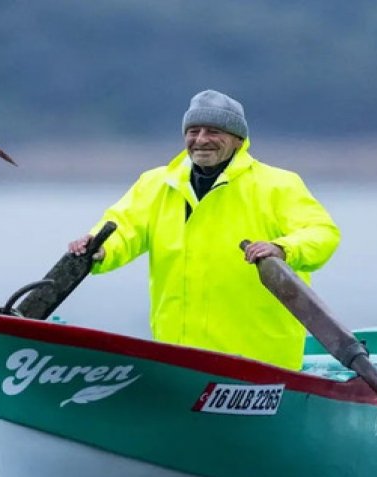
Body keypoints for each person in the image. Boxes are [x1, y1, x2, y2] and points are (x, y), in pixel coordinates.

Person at [68, 89, 340, 370]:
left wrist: (283, 248)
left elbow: (321, 233)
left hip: (262, 363)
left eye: (213, 131)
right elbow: (123, 229)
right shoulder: (156, 184)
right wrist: (100, 248)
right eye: (193, 131)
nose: (201, 140)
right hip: (179, 359)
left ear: (238, 139)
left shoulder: (278, 184)